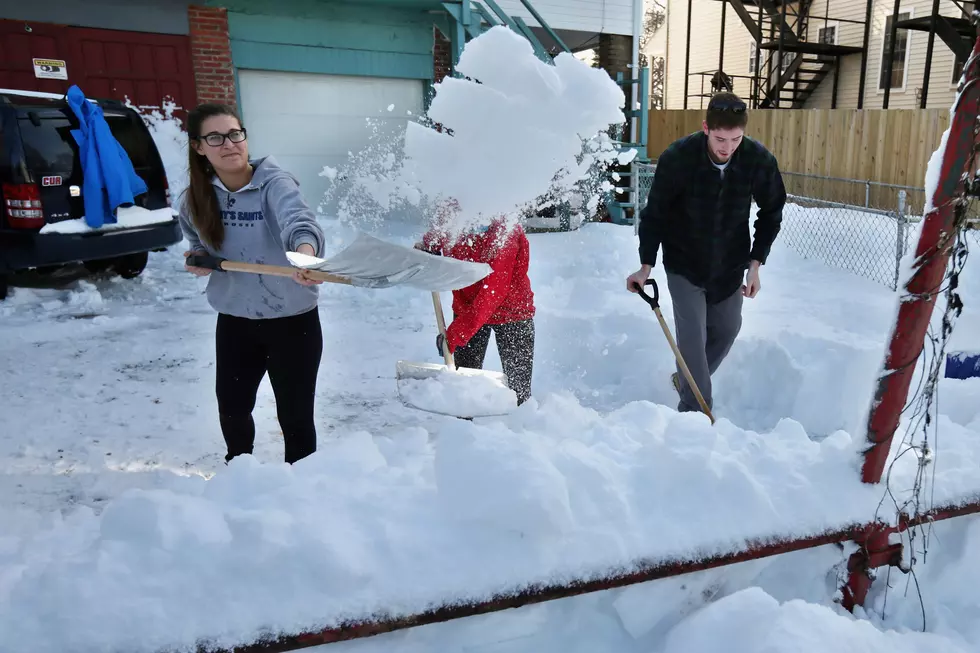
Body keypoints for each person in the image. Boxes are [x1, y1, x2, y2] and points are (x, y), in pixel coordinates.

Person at [178, 103, 327, 465]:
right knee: (232, 409)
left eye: (234, 134)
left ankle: (306, 491)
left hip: (293, 322)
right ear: (199, 146)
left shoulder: (275, 184)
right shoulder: (194, 199)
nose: (229, 144)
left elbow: (300, 223)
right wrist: (198, 257)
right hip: (235, 321)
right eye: (215, 137)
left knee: (295, 417)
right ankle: (238, 478)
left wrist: (304, 256)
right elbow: (196, 242)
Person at [626, 91, 786, 415]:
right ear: (705, 128)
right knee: (692, 339)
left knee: (727, 330)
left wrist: (756, 265)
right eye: (720, 139)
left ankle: (685, 380)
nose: (727, 147)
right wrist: (645, 265)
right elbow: (655, 212)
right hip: (684, 262)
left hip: (729, 265)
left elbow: (772, 210)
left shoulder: (757, 160)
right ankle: (696, 414)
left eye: (735, 139)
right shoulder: (678, 158)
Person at [418, 202, 536, 405]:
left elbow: (493, 292)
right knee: (464, 387)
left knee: (519, 394)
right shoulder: (456, 213)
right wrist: (426, 247)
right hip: (466, 309)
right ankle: (463, 430)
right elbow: (436, 237)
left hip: (512, 314)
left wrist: (455, 335)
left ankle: (520, 432)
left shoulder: (505, 230)